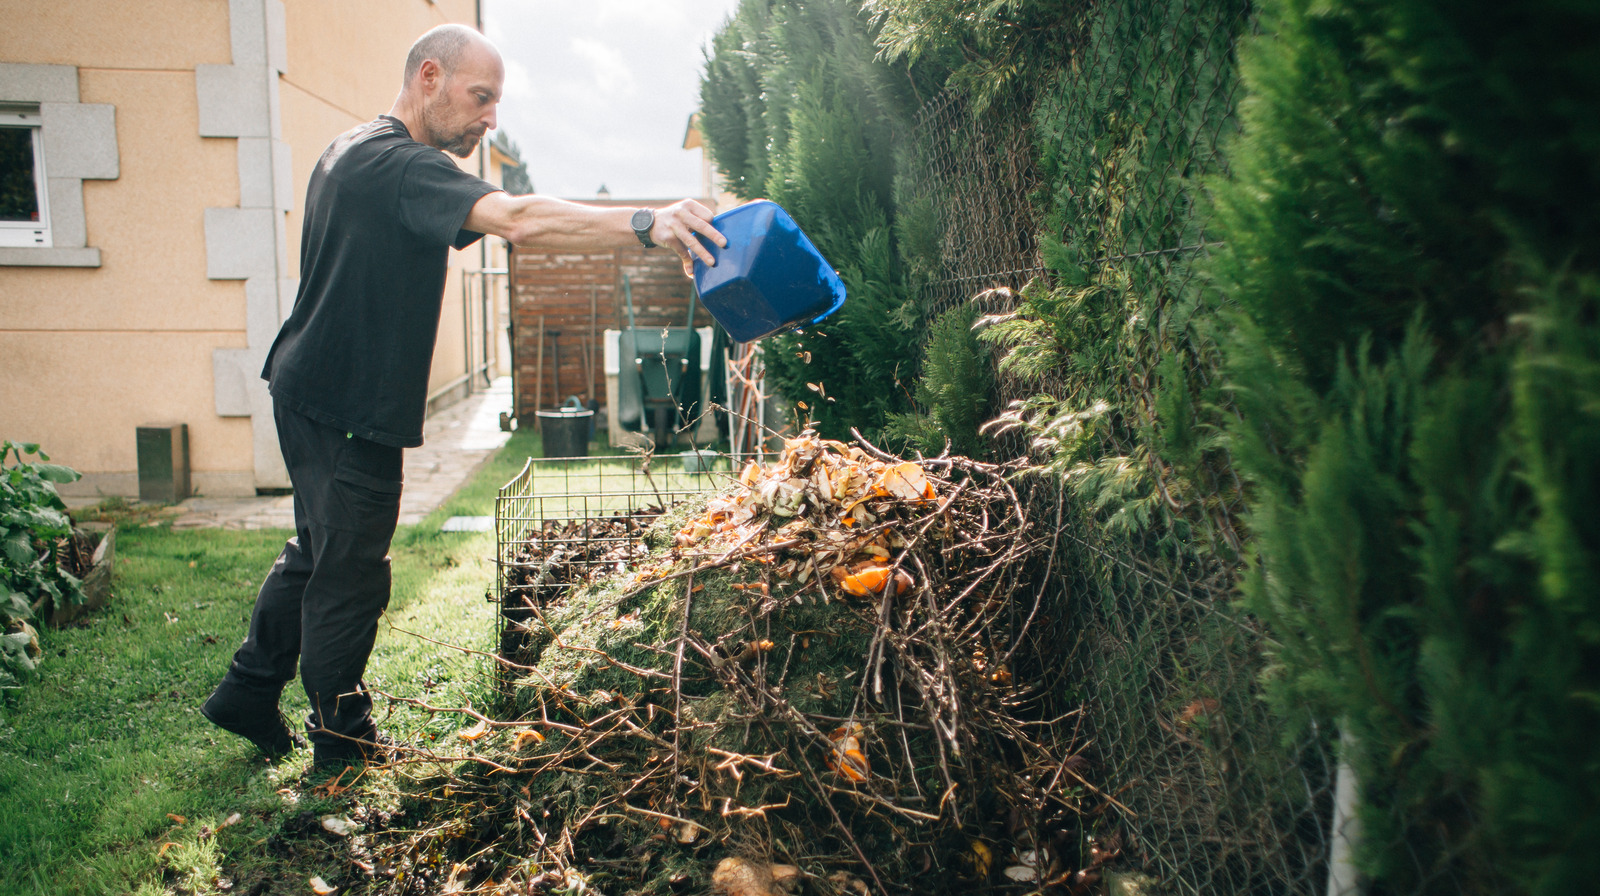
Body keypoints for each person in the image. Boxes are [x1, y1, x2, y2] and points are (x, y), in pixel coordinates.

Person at [200, 24, 725, 771]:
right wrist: (647, 222)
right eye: (480, 97)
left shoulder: (350, 148)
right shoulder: (402, 166)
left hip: (306, 383)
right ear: (429, 77)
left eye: (496, 101)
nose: (490, 118)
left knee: (318, 550)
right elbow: (517, 218)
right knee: (350, 570)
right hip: (346, 404)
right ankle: (343, 743)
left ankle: (248, 691)